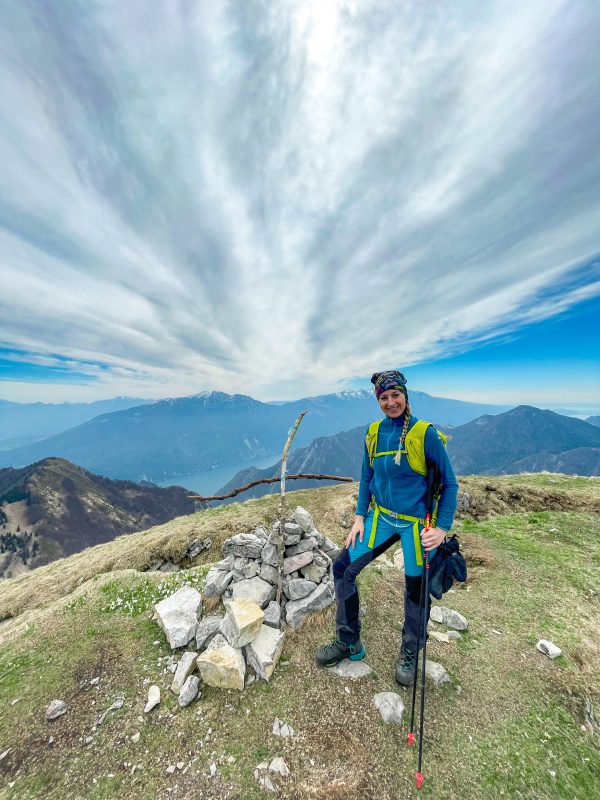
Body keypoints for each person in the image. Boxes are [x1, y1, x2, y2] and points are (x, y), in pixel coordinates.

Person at [315, 369, 458, 685]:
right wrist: (359, 516)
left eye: (395, 395)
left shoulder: (424, 434)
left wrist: (442, 528)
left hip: (416, 524)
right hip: (381, 516)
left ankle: (410, 651)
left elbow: (449, 483)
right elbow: (367, 476)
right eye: (384, 397)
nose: (390, 402)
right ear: (378, 400)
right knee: (342, 569)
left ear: (405, 397)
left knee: (416, 590)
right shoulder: (373, 433)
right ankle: (349, 640)